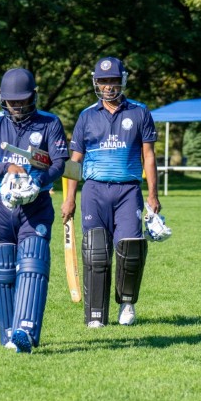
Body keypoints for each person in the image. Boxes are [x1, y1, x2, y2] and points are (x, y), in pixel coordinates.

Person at [0, 68, 69, 353]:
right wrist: (7, 168)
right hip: (0, 205)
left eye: (22, 100)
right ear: (1, 97)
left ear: (33, 96)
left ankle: (25, 330)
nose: (17, 106)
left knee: (32, 263)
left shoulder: (49, 122)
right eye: (12, 101)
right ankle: (8, 335)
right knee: (4, 271)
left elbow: (59, 163)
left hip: (35, 206)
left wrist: (37, 181)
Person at [61, 57, 161, 327]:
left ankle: (127, 305)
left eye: (113, 81)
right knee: (96, 252)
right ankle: (96, 314)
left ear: (122, 81)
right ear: (96, 83)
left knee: (131, 248)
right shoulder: (86, 116)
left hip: (128, 190)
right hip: (94, 190)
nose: (108, 86)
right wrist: (69, 198)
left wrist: (153, 194)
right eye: (103, 81)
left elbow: (149, 156)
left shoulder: (139, 112)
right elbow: (75, 160)